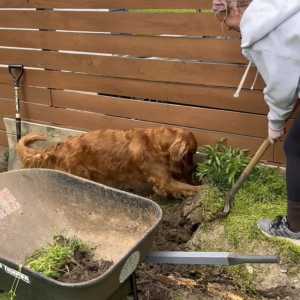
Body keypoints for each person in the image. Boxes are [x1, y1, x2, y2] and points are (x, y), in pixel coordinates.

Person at [212, 0, 300, 246]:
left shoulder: (259, 30)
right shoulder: (284, 8)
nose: (228, 28)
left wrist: (275, 122)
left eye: (225, 21)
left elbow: (281, 87)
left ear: (235, 9)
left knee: (294, 149)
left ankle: (294, 228)